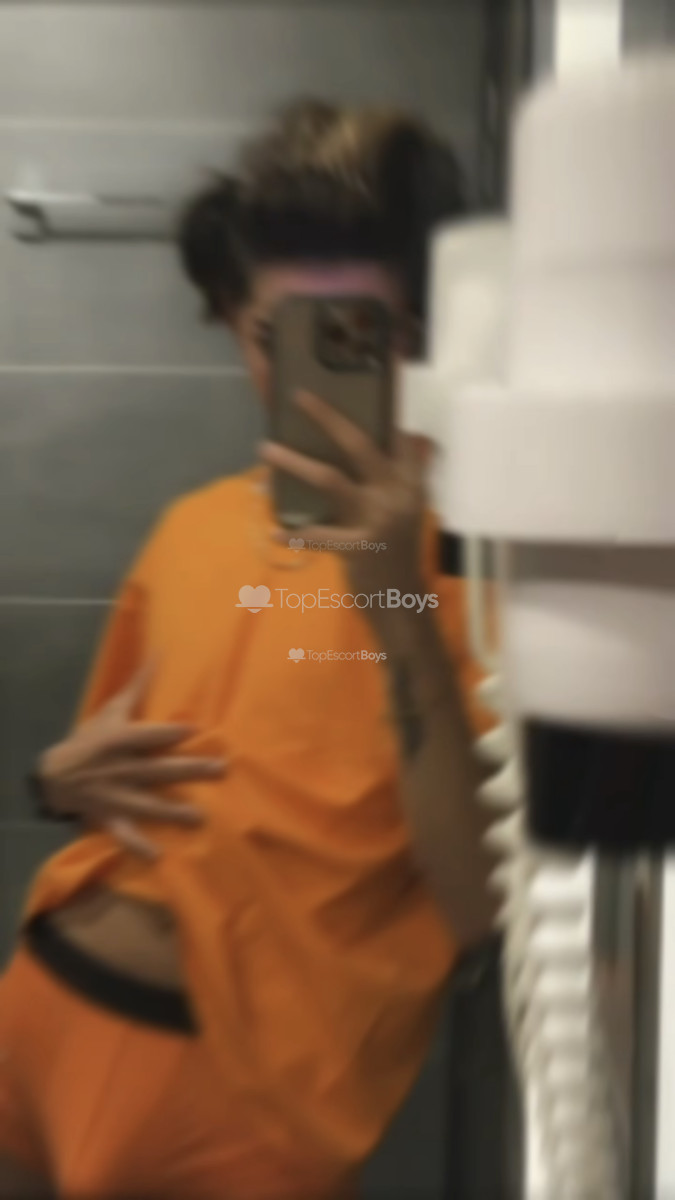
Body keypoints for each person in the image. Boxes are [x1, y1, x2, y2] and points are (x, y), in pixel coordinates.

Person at [0, 99, 495, 1200]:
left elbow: (474, 906)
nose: (308, 380)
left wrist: (395, 605)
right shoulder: (191, 527)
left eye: (357, 338)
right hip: (37, 1019)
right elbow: (122, 783)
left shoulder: (477, 563)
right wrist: (56, 782)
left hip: (240, 1109)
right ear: (233, 322)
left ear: (421, 339)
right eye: (274, 339)